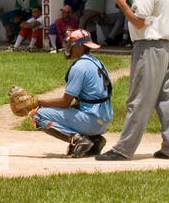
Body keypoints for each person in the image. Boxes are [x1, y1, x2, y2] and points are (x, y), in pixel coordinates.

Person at [97, 0, 169, 161]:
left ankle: (124, 149)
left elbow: (139, 21)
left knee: (138, 99)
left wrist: (122, 5)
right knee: (166, 99)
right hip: (165, 47)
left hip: (148, 47)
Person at [27, 29, 114, 158]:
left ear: (80, 46)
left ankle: (79, 140)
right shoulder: (96, 61)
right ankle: (95, 140)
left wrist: (36, 101)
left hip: (91, 121)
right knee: (71, 108)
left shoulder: (79, 66)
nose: (68, 47)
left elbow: (65, 102)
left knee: (37, 115)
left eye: (71, 43)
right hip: (103, 120)